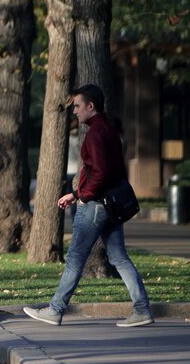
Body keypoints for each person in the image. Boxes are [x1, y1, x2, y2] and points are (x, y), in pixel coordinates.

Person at [24, 85, 153, 327]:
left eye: (78, 105)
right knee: (119, 257)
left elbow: (100, 173)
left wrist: (82, 196)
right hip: (108, 204)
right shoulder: (108, 129)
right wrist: (75, 194)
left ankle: (55, 309)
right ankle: (142, 309)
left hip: (95, 206)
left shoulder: (95, 133)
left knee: (74, 258)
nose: (74, 111)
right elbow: (100, 171)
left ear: (90, 106)